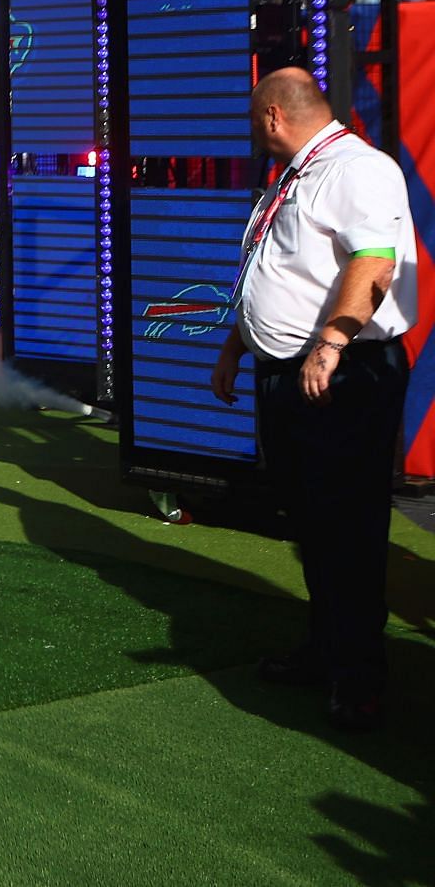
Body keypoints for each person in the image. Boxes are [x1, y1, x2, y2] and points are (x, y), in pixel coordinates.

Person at [210, 68, 417, 732]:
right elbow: (285, 271)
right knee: (311, 524)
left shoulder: (356, 168)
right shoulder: (300, 172)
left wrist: (331, 341)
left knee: (349, 528)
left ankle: (359, 678)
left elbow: (375, 261)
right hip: (294, 373)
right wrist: (238, 345)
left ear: (273, 116)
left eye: (253, 118)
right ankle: (325, 648)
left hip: (342, 371)